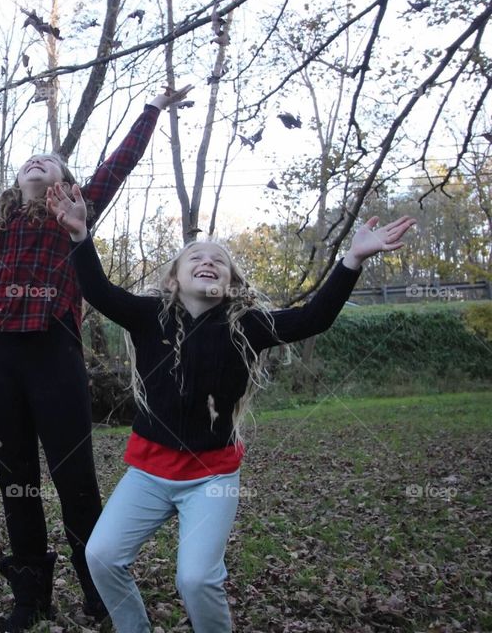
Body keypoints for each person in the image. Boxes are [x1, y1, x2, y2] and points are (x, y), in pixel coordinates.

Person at [47, 181, 415, 633]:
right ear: (173, 279)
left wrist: (351, 260)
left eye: (218, 260)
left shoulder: (250, 327)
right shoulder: (148, 317)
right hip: (149, 472)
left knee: (197, 578)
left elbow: (313, 318)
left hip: (211, 477)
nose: (208, 262)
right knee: (101, 555)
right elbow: (100, 293)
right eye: (196, 258)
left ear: (230, 283)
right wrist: (80, 236)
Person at [0, 85, 193, 632]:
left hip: (55, 352)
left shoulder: (74, 210)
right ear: (17, 180)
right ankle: (30, 594)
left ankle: (98, 589)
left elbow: (119, 164)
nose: (37, 161)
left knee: (74, 478)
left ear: (63, 182)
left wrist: (151, 109)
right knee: (17, 480)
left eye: (50, 161)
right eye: (30, 160)